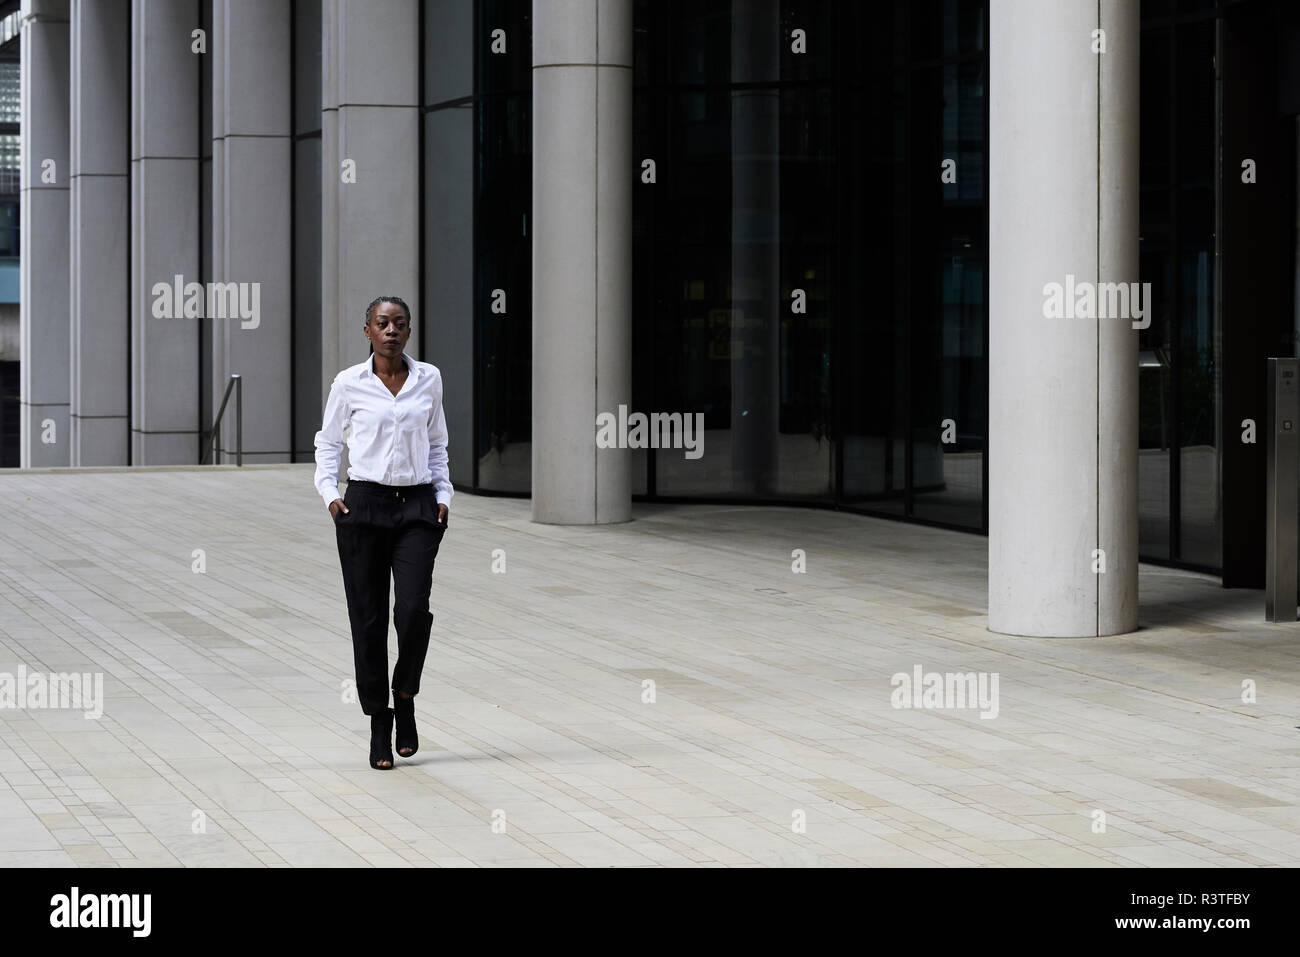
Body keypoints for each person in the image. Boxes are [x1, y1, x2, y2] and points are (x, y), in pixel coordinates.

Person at [313, 295, 452, 769]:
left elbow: (437, 445)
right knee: (368, 621)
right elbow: (328, 443)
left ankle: (406, 693)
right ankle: (379, 721)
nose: (391, 330)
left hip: (416, 508)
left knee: (413, 611)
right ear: (367, 330)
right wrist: (331, 496)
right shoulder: (348, 384)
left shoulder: (428, 379)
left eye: (399, 323)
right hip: (364, 506)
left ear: (408, 331)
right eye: (382, 323)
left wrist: (443, 497)